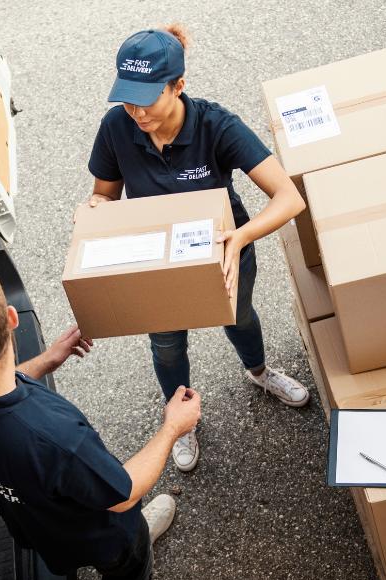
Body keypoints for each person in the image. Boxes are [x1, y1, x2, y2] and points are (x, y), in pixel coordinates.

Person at [0, 260, 203, 580]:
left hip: (37, 523)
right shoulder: (54, 436)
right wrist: (172, 427)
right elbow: (123, 494)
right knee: (128, 568)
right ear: (12, 318)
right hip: (104, 531)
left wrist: (48, 360)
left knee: (116, 535)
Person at [85, 25, 310, 473]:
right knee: (167, 346)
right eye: (127, 98)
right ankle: (181, 421)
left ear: (179, 86)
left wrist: (240, 239)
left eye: (147, 98)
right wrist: (98, 207)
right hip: (157, 264)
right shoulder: (116, 127)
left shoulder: (216, 125)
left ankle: (260, 372)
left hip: (225, 251)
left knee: (240, 317)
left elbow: (290, 198)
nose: (136, 111)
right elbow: (106, 194)